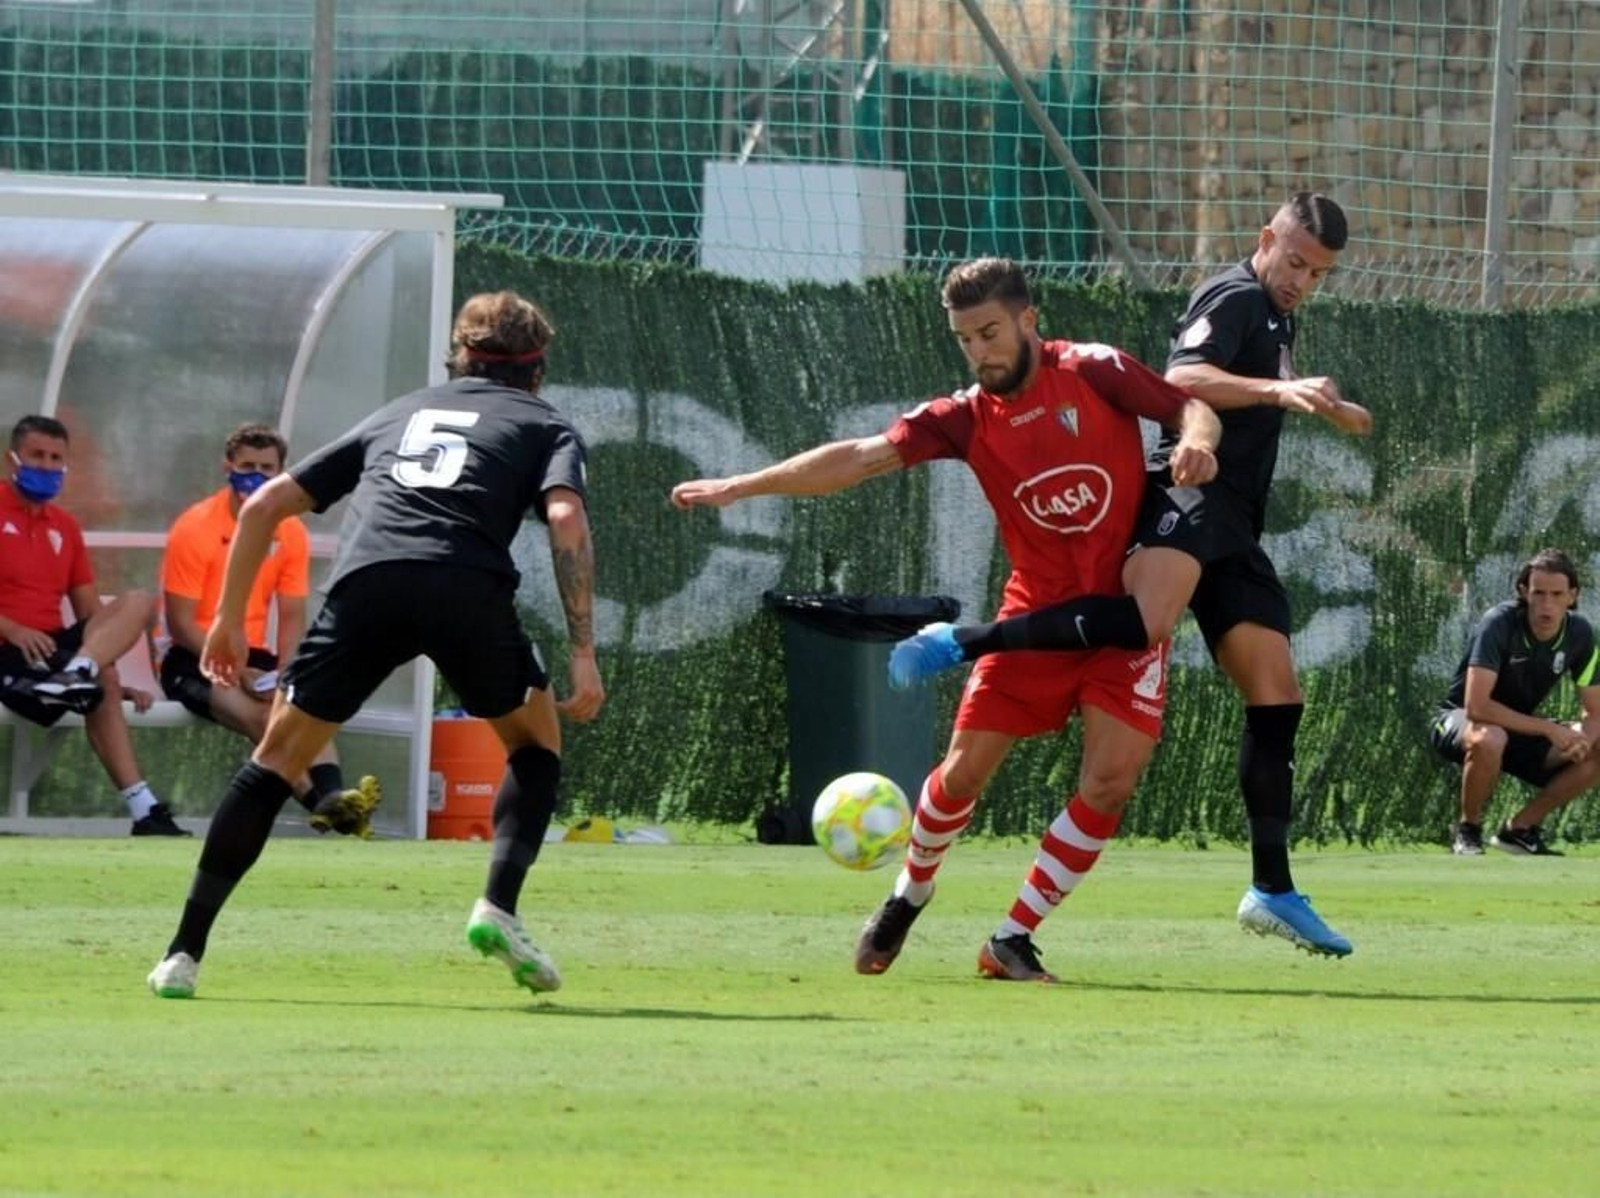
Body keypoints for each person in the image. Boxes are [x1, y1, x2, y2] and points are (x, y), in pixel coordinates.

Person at [673, 257, 1220, 982]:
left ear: (1029, 320)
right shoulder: (964, 417)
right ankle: (911, 890)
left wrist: (1197, 441)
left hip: (1124, 614)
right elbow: (859, 458)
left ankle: (1013, 938)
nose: (979, 351)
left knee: (1110, 782)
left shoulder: (1093, 369)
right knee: (961, 776)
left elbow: (1189, 406)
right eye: (964, 339)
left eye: (989, 332)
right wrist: (744, 486)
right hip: (1036, 613)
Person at [891, 194, 1372, 957]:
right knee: (1142, 625)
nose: (1302, 280)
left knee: (1277, 693)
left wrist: (1307, 399)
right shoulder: (1236, 294)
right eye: (1295, 261)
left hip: (1234, 524)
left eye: (1318, 273)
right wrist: (1281, 391)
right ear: (1266, 241)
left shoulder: (1279, 314)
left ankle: (1270, 888)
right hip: (1191, 497)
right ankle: (970, 642)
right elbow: (1187, 376)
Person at [147, 289, 605, 999]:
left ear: (458, 355)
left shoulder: (404, 410)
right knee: (535, 746)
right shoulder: (546, 423)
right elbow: (567, 520)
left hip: (371, 583)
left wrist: (230, 619)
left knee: (275, 760)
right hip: (465, 587)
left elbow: (266, 504)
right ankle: (498, 907)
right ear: (537, 367)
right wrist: (582, 652)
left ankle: (183, 954)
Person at [158, 423, 379, 836]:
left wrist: (289, 672)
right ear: (228, 466)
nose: (254, 475)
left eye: (266, 468)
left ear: (282, 473)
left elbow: (292, 613)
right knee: (265, 718)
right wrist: (237, 670)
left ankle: (334, 796)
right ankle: (327, 806)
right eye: (246, 465)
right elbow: (181, 625)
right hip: (193, 657)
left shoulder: (290, 529)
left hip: (253, 658)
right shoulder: (194, 526)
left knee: (304, 706)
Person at [0, 414, 189, 836]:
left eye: (56, 458)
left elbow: (89, 616)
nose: (47, 466)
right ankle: (143, 807)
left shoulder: (65, 526)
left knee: (138, 603)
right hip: (7, 649)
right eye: (37, 455)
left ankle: (145, 813)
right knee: (99, 678)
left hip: (52, 656)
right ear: (12, 458)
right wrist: (12, 628)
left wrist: (113, 680)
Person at [1431, 548, 1599, 857]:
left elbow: (1596, 712)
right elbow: (1477, 707)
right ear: (1524, 591)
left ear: (1573, 595)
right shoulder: (1499, 622)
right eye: (1539, 593)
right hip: (1459, 719)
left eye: (1557, 594)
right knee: (1491, 737)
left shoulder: (1580, 633)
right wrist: (1549, 729)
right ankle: (1468, 831)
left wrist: (1582, 739)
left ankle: (1518, 830)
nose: (1547, 605)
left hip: (1519, 729)